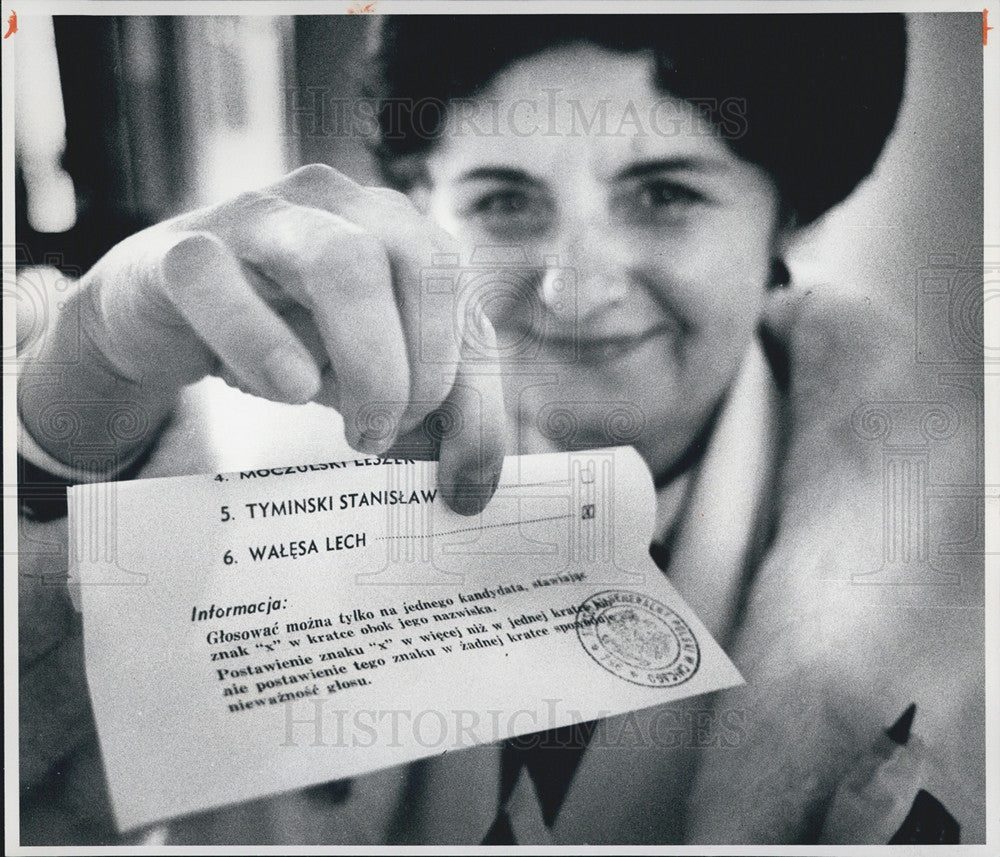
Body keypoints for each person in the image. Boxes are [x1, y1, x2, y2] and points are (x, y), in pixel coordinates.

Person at [16, 13, 983, 845]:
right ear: (425, 209)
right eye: (506, 202)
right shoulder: (250, 470)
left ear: (788, 221)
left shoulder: (954, 591)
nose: (573, 286)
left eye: (665, 195)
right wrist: (65, 414)